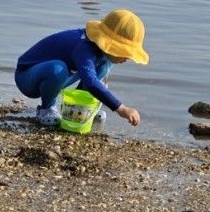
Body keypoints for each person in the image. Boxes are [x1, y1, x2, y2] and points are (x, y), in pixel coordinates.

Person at [15, 9, 149, 127]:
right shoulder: (84, 47)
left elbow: (92, 79)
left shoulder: (102, 52)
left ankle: (80, 109)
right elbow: (90, 82)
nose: (128, 58)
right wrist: (121, 108)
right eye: (125, 52)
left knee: (105, 65)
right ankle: (46, 109)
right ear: (111, 45)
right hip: (27, 77)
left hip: (57, 77)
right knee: (58, 70)